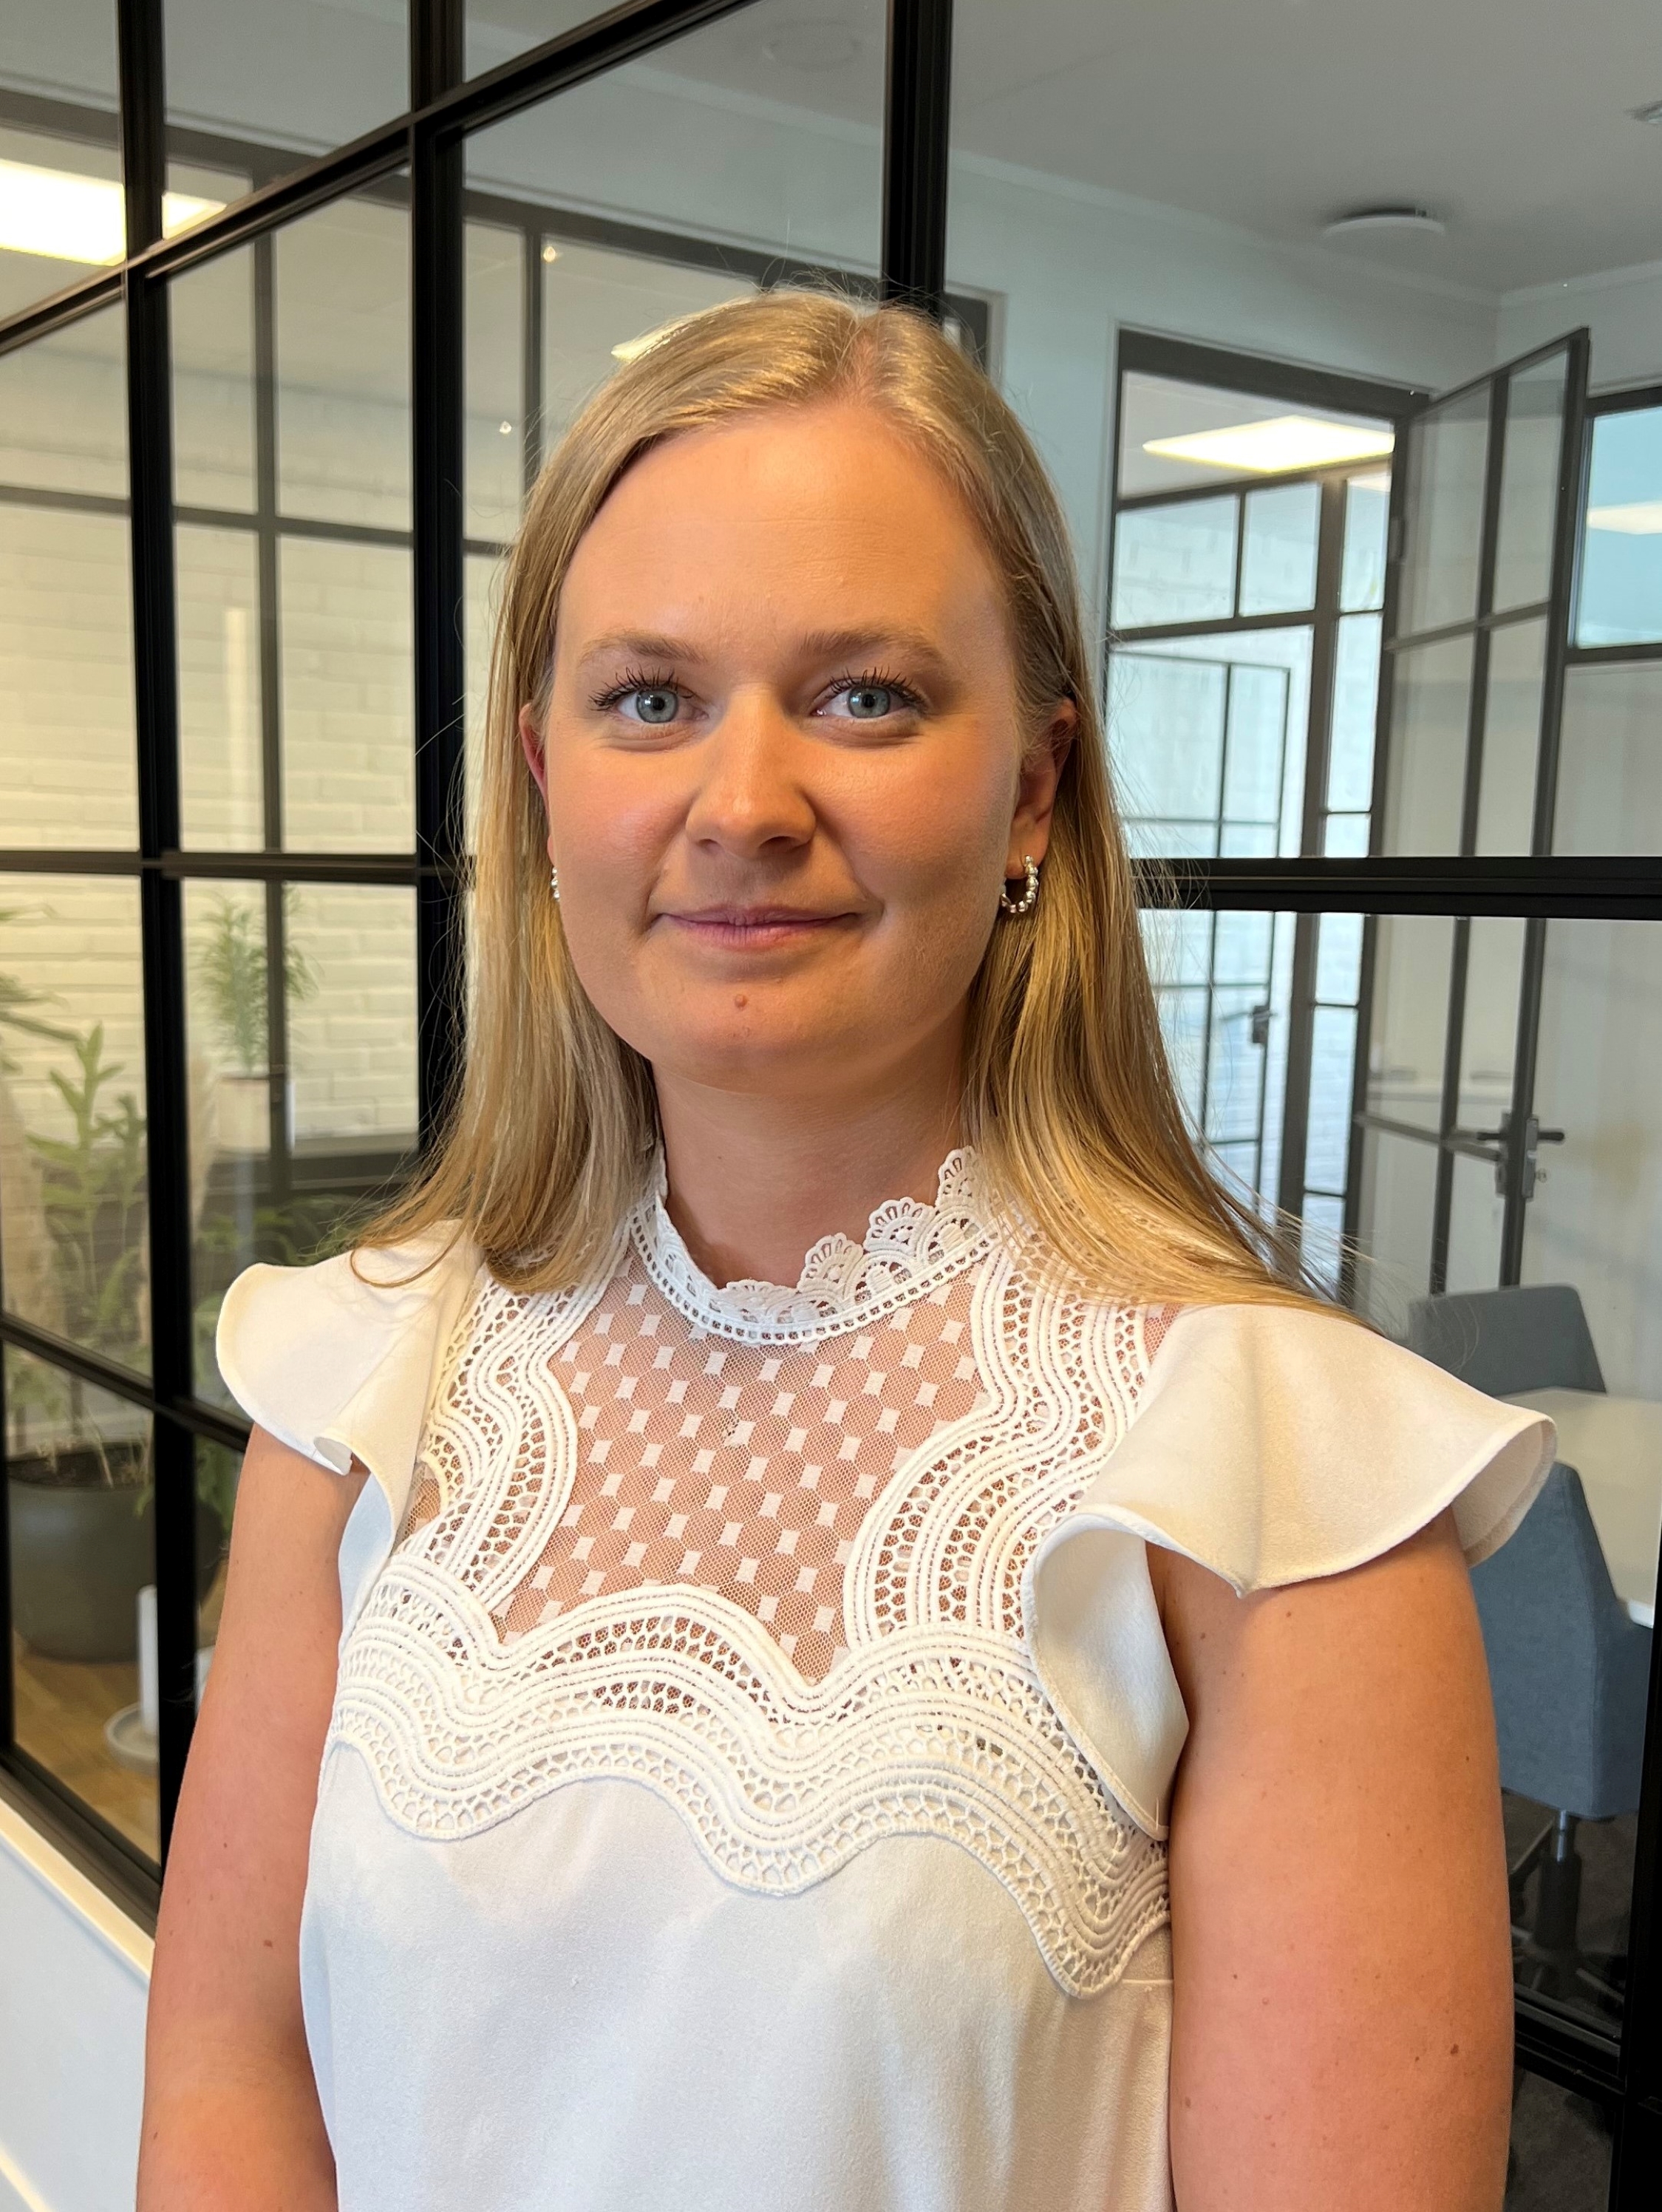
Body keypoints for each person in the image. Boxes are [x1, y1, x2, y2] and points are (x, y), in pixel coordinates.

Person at [138, 292, 1553, 2212]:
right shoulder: (365, 1381)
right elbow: (233, 2087)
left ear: (1032, 788)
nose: (742, 806)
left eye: (863, 696)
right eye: (651, 698)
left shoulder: (1280, 1490)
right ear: (543, 778)